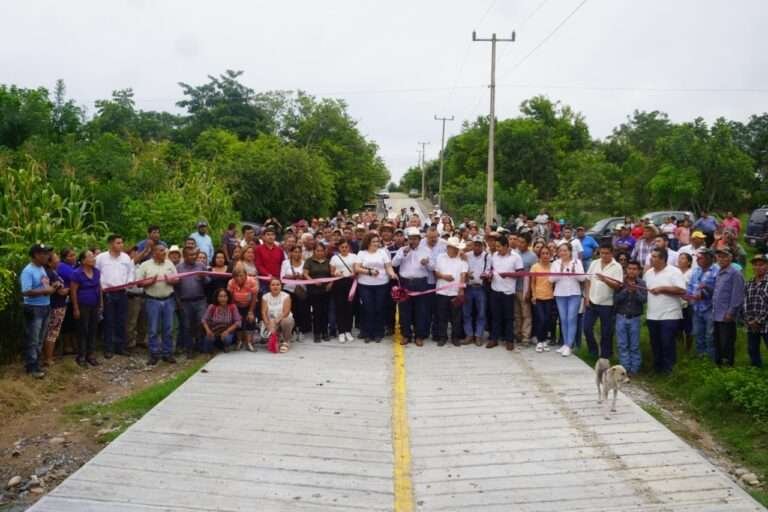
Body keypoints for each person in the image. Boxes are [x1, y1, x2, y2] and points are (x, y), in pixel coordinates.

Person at [645, 248, 687, 373]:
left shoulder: (674, 272)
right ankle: (657, 369)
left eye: (654, 256)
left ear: (662, 258)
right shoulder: (648, 273)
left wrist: (663, 289)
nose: (651, 258)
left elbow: (681, 290)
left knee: (667, 343)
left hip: (669, 314)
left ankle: (669, 371)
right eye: (651, 256)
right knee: (655, 343)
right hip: (652, 314)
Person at [136, 244, 179, 365]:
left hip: (168, 299)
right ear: (154, 253)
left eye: (164, 251)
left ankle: (167, 353)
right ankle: (154, 354)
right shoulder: (145, 265)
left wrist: (172, 281)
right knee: (153, 329)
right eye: (161, 251)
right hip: (152, 300)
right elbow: (139, 283)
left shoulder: (169, 264)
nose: (164, 253)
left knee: (168, 328)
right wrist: (149, 282)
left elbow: (177, 279)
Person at [392, 227, 432, 346]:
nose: (413, 241)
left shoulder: (426, 250)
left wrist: (427, 263)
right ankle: (406, 335)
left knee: (421, 311)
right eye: (410, 239)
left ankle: (419, 336)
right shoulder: (402, 250)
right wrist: (404, 253)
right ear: (407, 239)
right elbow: (394, 263)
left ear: (420, 239)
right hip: (405, 283)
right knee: (404, 311)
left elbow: (433, 267)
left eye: (415, 239)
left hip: (420, 283)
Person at [20, 244, 56, 378]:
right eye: (45, 254)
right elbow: (26, 291)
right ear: (36, 255)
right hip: (34, 308)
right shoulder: (28, 271)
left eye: (48, 253)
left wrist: (52, 287)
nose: (48, 256)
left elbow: (43, 285)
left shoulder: (41, 268)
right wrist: (46, 291)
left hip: (45, 305)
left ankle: (36, 364)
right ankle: (31, 367)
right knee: (33, 339)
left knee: (40, 339)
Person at [95, 234, 133, 358]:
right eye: (118, 243)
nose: (121, 245)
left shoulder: (126, 258)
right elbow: (96, 273)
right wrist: (101, 287)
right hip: (107, 293)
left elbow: (130, 272)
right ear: (111, 244)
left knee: (121, 320)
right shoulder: (101, 258)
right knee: (109, 321)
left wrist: (129, 283)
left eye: (122, 242)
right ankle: (108, 348)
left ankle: (120, 347)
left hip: (122, 292)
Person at [354, 232, 397, 343]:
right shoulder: (361, 253)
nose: (376, 243)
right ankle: (367, 333)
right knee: (368, 309)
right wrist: (369, 272)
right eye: (374, 241)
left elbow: (388, 267)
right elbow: (357, 268)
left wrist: (392, 274)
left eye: (378, 241)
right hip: (365, 285)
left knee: (380, 308)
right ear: (368, 242)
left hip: (382, 284)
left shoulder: (383, 253)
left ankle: (379, 332)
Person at [583, 243, 623, 358]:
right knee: (586, 328)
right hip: (592, 301)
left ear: (612, 253)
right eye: (602, 253)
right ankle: (593, 351)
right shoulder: (594, 263)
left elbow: (617, 286)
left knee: (606, 331)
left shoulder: (617, 266)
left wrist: (605, 279)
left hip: (607, 304)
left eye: (607, 253)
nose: (604, 255)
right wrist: (586, 297)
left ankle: (605, 355)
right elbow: (587, 280)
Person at [549, 243, 587, 357]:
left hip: (574, 294)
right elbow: (551, 279)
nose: (563, 253)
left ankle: (569, 345)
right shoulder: (556, 263)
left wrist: (575, 272)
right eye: (561, 251)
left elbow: (582, 278)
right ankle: (565, 344)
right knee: (563, 319)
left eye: (565, 250)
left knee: (571, 318)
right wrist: (559, 271)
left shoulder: (577, 262)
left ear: (570, 251)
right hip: (560, 294)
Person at [489, 235, 524, 351]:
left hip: (508, 292)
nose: (497, 248)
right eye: (496, 246)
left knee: (509, 317)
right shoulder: (494, 255)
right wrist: (489, 274)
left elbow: (521, 273)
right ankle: (494, 339)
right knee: (495, 317)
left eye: (499, 246)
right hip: (495, 289)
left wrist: (508, 274)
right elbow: (492, 269)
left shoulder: (516, 257)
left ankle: (509, 340)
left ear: (506, 246)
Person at [711, 247, 745, 366]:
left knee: (727, 343)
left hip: (727, 315)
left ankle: (728, 367)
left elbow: (738, 295)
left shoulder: (735, 273)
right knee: (717, 342)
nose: (721, 259)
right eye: (719, 256)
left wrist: (731, 312)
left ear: (731, 257)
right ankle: (719, 366)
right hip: (716, 314)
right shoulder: (719, 272)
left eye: (724, 256)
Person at [175, 247, 210, 358]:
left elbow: (209, 281)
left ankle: (200, 345)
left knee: (201, 323)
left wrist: (204, 278)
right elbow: (174, 286)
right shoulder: (178, 268)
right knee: (186, 325)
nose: (193, 257)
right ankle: (189, 348)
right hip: (185, 301)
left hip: (200, 300)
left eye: (195, 254)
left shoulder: (200, 266)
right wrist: (178, 301)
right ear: (184, 256)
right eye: (191, 255)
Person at [433, 237, 468, 347]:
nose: (455, 250)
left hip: (455, 292)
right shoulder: (440, 257)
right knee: (441, 316)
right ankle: (442, 337)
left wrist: (461, 290)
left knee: (456, 317)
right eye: (453, 248)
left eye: (456, 248)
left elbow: (463, 275)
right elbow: (436, 272)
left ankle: (455, 337)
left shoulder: (462, 259)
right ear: (448, 248)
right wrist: (444, 276)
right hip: (442, 291)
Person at [614, 260, 647, 375]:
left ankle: (634, 369)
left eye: (634, 269)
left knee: (634, 345)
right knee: (622, 344)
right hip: (621, 316)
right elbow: (615, 299)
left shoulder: (642, 283)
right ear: (626, 270)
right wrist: (626, 291)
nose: (631, 271)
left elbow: (644, 300)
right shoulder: (620, 282)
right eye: (629, 268)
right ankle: (625, 368)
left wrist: (636, 291)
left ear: (638, 271)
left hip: (635, 318)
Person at [70, 250, 102, 368]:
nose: (93, 258)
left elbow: (99, 288)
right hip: (82, 305)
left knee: (93, 330)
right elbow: (73, 292)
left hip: (94, 305)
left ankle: (91, 355)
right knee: (83, 330)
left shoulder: (96, 271)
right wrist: (75, 308)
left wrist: (101, 304)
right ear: (83, 260)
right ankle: (81, 356)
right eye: (90, 257)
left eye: (93, 256)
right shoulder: (77, 273)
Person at [687, 248, 718, 358]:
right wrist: (689, 297)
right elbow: (690, 286)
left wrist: (705, 292)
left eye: (701, 257)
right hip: (696, 308)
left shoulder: (716, 270)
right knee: (698, 334)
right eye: (698, 257)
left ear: (710, 258)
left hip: (710, 308)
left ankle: (711, 359)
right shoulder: (696, 270)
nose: (698, 259)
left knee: (710, 335)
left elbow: (719, 290)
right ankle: (701, 358)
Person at [42, 252, 69, 367]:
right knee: (52, 332)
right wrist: (70, 289)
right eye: (56, 258)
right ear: (50, 262)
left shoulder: (52, 272)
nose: (59, 260)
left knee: (51, 331)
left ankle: (48, 356)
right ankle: (48, 358)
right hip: (56, 306)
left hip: (56, 305)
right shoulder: (50, 274)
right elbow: (61, 291)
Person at [330, 239, 358, 343]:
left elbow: (356, 269)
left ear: (349, 247)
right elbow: (331, 272)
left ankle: (348, 331)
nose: (344, 249)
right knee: (340, 308)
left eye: (346, 247)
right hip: (338, 284)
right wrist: (336, 274)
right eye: (342, 247)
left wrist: (354, 273)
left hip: (351, 283)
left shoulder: (354, 257)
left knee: (349, 308)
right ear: (339, 248)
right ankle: (341, 332)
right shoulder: (334, 258)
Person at [463, 235, 489, 347]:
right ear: (472, 245)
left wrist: (486, 275)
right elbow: (462, 268)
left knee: (481, 313)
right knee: (466, 312)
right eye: (475, 244)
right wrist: (466, 274)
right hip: (469, 287)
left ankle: (478, 335)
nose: (477, 247)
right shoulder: (467, 256)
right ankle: (469, 335)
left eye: (479, 245)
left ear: (483, 246)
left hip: (481, 288)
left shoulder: (487, 256)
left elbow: (489, 270)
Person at [304, 243, 333, 343]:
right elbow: (305, 274)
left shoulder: (328, 262)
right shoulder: (309, 261)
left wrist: (331, 283)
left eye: (322, 250)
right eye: (318, 250)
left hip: (326, 290)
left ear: (324, 251)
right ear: (314, 251)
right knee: (316, 312)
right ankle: (317, 333)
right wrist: (313, 281)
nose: (320, 252)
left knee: (325, 312)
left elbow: (333, 274)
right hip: (313, 290)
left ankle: (325, 332)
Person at [281, 245, 310, 341]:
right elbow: (282, 277)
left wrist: (301, 276)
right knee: (290, 312)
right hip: (288, 290)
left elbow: (307, 276)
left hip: (301, 291)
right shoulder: (285, 263)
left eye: (299, 252)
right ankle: (291, 331)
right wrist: (292, 277)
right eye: (295, 251)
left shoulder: (305, 263)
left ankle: (301, 330)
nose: (297, 254)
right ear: (291, 253)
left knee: (302, 311)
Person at [744, 254, 768, 367]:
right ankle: (756, 370)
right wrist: (750, 320)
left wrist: (758, 321)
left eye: (761, 265)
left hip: (765, 323)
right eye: (755, 265)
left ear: (766, 266)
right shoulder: (749, 283)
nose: (758, 267)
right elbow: (745, 303)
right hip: (751, 324)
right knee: (752, 349)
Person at [530, 246, 556, 352]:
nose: (545, 255)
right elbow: (532, 283)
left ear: (550, 255)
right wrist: (534, 295)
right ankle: (540, 341)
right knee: (541, 319)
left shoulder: (554, 267)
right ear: (539, 255)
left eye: (547, 253)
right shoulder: (535, 267)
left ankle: (544, 340)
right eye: (543, 253)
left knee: (547, 320)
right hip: (539, 297)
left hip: (550, 297)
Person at [227, 266, 259, 351]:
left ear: (245, 274)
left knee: (250, 320)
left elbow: (254, 297)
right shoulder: (231, 282)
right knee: (238, 321)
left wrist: (251, 311)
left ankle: (249, 343)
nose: (239, 278)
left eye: (241, 275)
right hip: (237, 304)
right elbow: (231, 298)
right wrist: (235, 311)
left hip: (250, 303)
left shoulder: (252, 281)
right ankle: (239, 341)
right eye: (236, 276)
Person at [514, 233, 537, 346]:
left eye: (522, 242)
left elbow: (534, 275)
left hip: (525, 289)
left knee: (526, 314)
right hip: (513, 288)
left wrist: (529, 291)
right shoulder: (514, 253)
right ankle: (517, 334)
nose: (519, 244)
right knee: (517, 314)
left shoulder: (532, 257)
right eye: (518, 241)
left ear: (528, 244)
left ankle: (525, 337)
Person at [261, 278, 295, 353]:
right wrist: (268, 324)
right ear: (269, 286)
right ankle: (277, 338)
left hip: (282, 319)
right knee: (270, 342)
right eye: (273, 285)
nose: (275, 287)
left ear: (281, 286)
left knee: (287, 320)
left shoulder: (286, 296)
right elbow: (263, 312)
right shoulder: (265, 297)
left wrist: (275, 321)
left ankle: (286, 341)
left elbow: (286, 312)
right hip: (270, 321)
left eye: (277, 284)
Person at [202, 288, 240, 353]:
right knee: (207, 345)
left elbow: (238, 322)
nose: (223, 298)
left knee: (227, 339)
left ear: (228, 297)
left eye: (225, 296)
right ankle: (215, 346)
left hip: (227, 331)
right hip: (214, 331)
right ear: (217, 297)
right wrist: (208, 330)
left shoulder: (232, 307)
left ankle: (225, 345)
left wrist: (227, 331)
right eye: (220, 296)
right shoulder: (212, 307)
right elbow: (204, 320)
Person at [255, 227, 285, 293]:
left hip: (277, 281)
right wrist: (268, 275)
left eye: (272, 234)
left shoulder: (280, 250)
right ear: (264, 237)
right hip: (264, 281)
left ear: (275, 236)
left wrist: (279, 277)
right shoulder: (258, 249)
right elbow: (258, 265)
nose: (270, 237)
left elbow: (283, 265)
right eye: (268, 234)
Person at [677, 252, 695, 351]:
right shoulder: (675, 272)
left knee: (688, 326)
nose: (680, 260)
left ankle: (688, 349)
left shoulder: (692, 273)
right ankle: (680, 348)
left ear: (689, 262)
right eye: (679, 258)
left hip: (688, 303)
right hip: (676, 303)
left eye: (683, 258)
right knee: (678, 327)